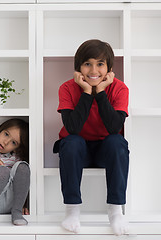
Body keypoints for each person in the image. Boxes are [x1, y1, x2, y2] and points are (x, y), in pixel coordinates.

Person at [53, 39, 129, 235]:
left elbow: (114, 127)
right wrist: (88, 92)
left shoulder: (120, 88)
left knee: (117, 142)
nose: (93, 70)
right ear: (79, 67)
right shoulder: (67, 88)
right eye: (87, 64)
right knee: (71, 142)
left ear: (109, 68)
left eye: (100, 64)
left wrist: (101, 92)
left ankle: (115, 211)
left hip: (106, 149)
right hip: (79, 149)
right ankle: (72, 211)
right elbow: (73, 128)